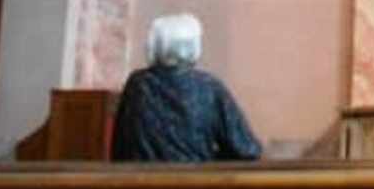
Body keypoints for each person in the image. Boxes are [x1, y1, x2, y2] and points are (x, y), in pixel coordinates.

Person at [111, 13, 263, 163]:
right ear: (194, 47)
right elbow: (246, 150)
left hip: (140, 177)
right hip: (196, 177)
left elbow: (119, 148)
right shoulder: (208, 87)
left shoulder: (138, 85)